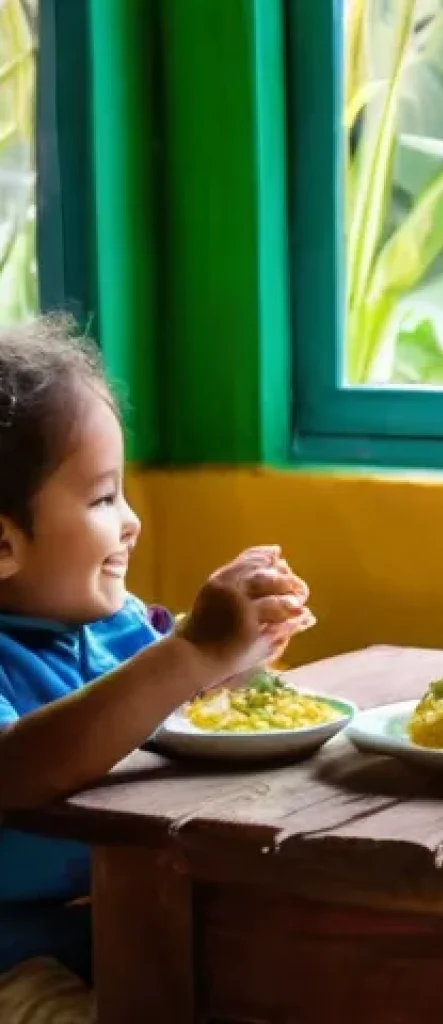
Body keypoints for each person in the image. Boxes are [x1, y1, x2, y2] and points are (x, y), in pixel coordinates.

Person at [0, 315, 314, 1016]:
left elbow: (178, 714)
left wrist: (236, 660)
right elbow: (17, 770)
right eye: (104, 499)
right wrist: (190, 652)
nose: (132, 522)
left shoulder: (120, 627)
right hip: (18, 965)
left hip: (134, 926)